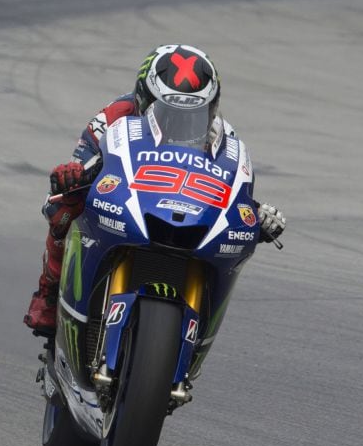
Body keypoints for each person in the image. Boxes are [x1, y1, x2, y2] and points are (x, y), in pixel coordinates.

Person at [24, 44, 286, 335]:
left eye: (194, 111)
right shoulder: (113, 116)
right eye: (168, 110)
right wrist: (72, 176)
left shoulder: (225, 136)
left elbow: (228, 188)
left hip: (186, 208)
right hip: (128, 197)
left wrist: (256, 212)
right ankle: (48, 294)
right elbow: (82, 165)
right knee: (61, 206)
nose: (179, 120)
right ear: (144, 97)